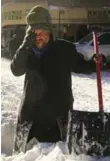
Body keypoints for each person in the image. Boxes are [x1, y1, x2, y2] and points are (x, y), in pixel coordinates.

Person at [10, 6, 100, 154]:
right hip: (31, 118)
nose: (37, 37)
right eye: (33, 34)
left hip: (58, 120)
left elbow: (81, 66)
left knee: (58, 155)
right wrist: (25, 44)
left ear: (49, 31)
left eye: (41, 33)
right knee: (25, 156)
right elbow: (15, 70)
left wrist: (95, 63)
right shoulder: (26, 52)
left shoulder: (63, 49)